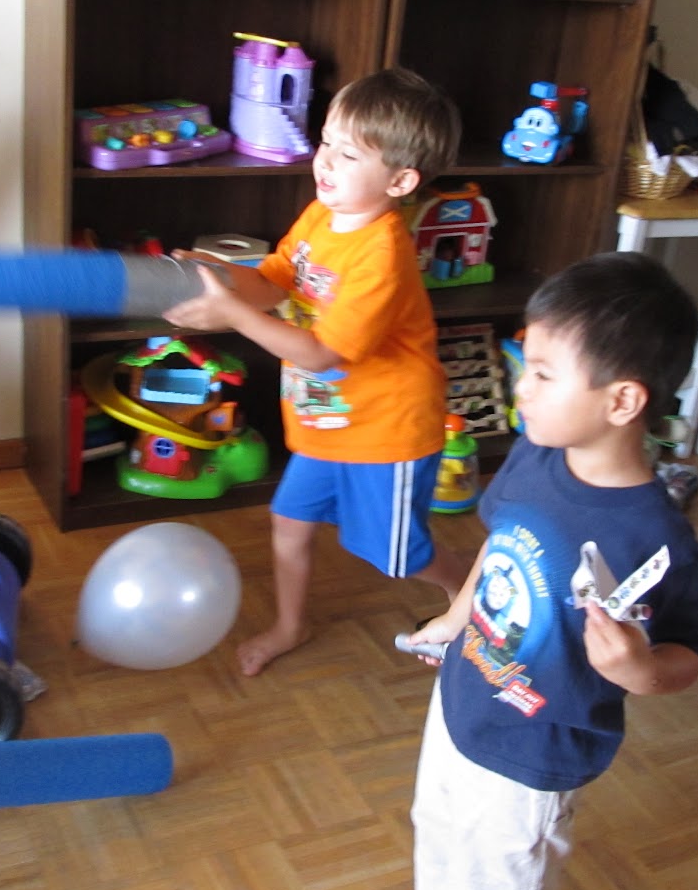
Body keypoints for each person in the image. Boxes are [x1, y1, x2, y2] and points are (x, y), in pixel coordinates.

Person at [351, 252, 698, 890]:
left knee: (506, 873)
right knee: (438, 817)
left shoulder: (654, 538)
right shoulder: (537, 455)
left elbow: (691, 653)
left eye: (543, 373)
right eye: (525, 363)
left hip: (538, 744)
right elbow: (502, 542)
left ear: (621, 400)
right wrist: (453, 621)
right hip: (466, 693)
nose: (519, 385)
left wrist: (642, 671)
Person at [163, 67, 471, 675]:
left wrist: (231, 313)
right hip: (327, 420)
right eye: (326, 141)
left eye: (348, 154)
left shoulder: (383, 254)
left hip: (388, 432)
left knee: (394, 554)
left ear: (401, 180)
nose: (325, 161)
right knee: (290, 520)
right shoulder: (319, 218)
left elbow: (319, 352)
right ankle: (289, 625)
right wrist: (217, 278)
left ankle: (470, 587)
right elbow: (274, 277)